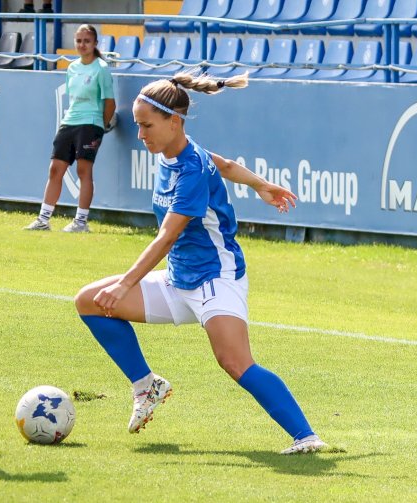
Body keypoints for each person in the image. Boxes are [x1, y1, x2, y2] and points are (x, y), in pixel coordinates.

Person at [74, 71, 328, 454]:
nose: (140, 135)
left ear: (174, 122)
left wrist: (125, 284)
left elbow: (167, 236)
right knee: (89, 301)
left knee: (235, 361)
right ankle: (147, 386)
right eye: (138, 126)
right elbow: (223, 164)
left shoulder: (190, 169)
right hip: (180, 280)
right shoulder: (178, 151)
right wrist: (260, 184)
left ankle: (307, 437)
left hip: (215, 278)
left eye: (146, 126)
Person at [24, 24, 115, 233]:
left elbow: (110, 103)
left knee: (84, 171)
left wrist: (100, 126)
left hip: (90, 123)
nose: (82, 45)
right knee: (55, 169)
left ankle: (80, 222)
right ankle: (43, 219)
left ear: (95, 44)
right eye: (79, 41)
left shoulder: (101, 68)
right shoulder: (72, 68)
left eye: (87, 41)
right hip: (69, 122)